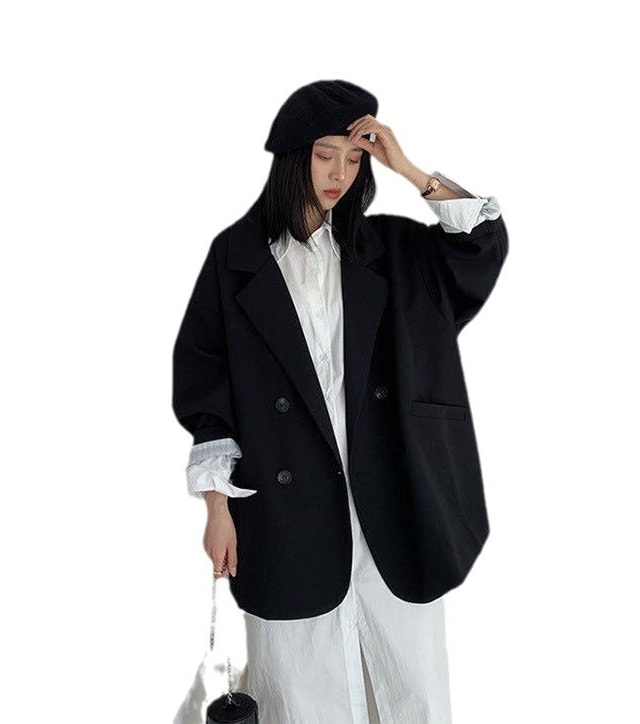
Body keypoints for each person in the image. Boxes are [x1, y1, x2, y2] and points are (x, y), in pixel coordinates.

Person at [172, 79, 508, 723]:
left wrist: (408, 169)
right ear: (291, 157)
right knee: (302, 687)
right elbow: (206, 388)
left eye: (354, 159)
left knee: (413, 688)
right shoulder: (236, 259)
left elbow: (480, 246)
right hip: (285, 509)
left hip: (395, 499)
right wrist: (217, 507)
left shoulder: (393, 251)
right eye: (325, 154)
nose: (339, 174)